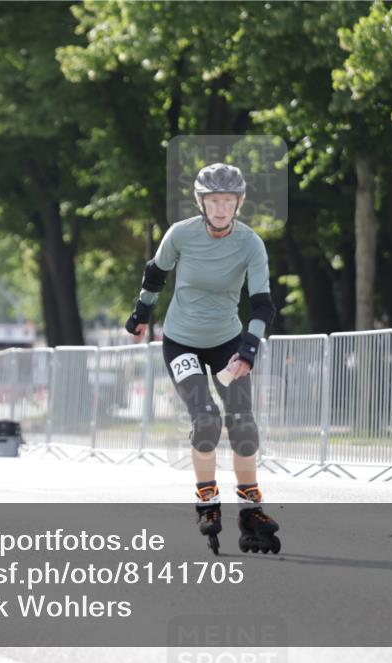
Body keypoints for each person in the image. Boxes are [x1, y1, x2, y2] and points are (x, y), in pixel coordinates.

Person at [124, 162, 281, 555]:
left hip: (228, 342)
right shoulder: (181, 234)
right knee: (207, 418)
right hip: (181, 342)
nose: (221, 208)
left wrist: (248, 350)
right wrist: (141, 314)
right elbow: (155, 274)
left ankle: (251, 509)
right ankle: (207, 499)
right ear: (201, 202)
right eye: (214, 201)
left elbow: (262, 304)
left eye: (228, 201)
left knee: (243, 425)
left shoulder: (250, 244)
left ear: (239, 202)